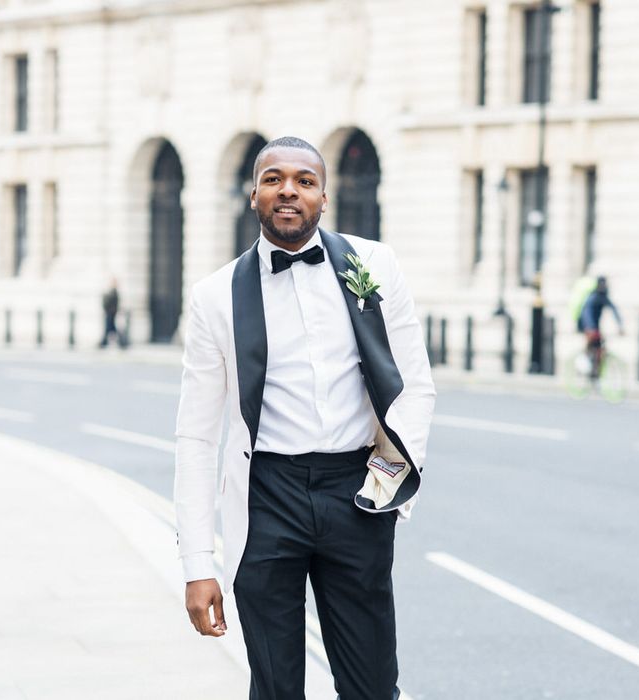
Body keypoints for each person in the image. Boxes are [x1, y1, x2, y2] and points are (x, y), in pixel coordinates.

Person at [174, 136, 435, 700]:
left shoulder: (375, 266)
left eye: (304, 180)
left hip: (356, 495)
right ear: (253, 195)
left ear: (323, 195)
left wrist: (390, 486)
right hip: (267, 499)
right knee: (275, 689)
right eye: (273, 179)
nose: (288, 190)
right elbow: (196, 435)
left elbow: (414, 384)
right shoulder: (215, 296)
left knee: (371, 687)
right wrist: (199, 563)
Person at [578, 276, 624, 375]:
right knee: (590, 344)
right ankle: (582, 361)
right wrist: (590, 328)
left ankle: (595, 370)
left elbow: (614, 309)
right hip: (587, 325)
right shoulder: (593, 297)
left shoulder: (603, 297)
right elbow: (586, 313)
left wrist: (620, 325)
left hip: (595, 326)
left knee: (600, 347)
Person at [98, 278, 122, 348]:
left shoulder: (114, 292)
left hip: (111, 314)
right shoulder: (111, 291)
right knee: (110, 328)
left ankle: (104, 342)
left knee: (110, 328)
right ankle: (104, 342)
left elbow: (113, 303)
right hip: (109, 313)